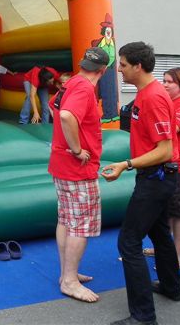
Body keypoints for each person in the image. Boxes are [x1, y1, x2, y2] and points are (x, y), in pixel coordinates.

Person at [101, 42, 180, 325]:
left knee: (129, 242)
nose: (119, 70)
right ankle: (171, 287)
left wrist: (126, 164)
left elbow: (165, 150)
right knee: (159, 234)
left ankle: (144, 317)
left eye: (122, 64)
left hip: (156, 179)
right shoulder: (145, 93)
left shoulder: (154, 97)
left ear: (137, 66)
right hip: (155, 177)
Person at [48, 47, 109, 303]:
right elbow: (65, 115)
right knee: (81, 225)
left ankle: (67, 273)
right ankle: (70, 281)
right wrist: (76, 148)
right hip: (77, 168)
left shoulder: (71, 82)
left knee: (66, 219)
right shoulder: (84, 88)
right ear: (103, 70)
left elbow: (54, 106)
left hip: (61, 164)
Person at [143, 68, 180, 269]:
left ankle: (176, 257)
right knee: (164, 212)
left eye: (170, 82)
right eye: (164, 80)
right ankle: (163, 248)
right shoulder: (170, 102)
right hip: (163, 165)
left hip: (176, 168)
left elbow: (170, 130)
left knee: (179, 213)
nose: (165, 84)